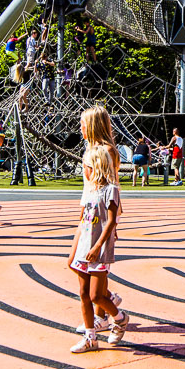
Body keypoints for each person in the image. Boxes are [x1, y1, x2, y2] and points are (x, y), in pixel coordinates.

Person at [68, 146, 128, 353]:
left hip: (99, 250)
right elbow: (83, 218)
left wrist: (97, 246)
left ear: (96, 167)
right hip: (84, 246)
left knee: (96, 296)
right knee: (83, 294)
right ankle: (90, 337)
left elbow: (111, 222)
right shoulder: (90, 190)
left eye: (86, 166)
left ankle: (120, 319)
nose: (84, 170)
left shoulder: (111, 190)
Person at [75, 106, 123, 336]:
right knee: (76, 263)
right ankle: (106, 299)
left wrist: (112, 223)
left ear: (93, 125)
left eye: (83, 124)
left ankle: (102, 313)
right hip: (88, 213)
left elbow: (110, 188)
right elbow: (89, 188)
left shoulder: (106, 151)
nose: (80, 128)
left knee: (96, 268)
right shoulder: (90, 149)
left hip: (101, 216)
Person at [18, 28, 40, 112]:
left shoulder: (28, 39)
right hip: (31, 51)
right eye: (36, 34)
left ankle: (25, 108)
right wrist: (37, 48)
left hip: (27, 84)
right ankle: (21, 108)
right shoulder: (32, 39)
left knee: (23, 96)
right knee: (20, 96)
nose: (36, 36)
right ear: (34, 34)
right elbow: (34, 46)